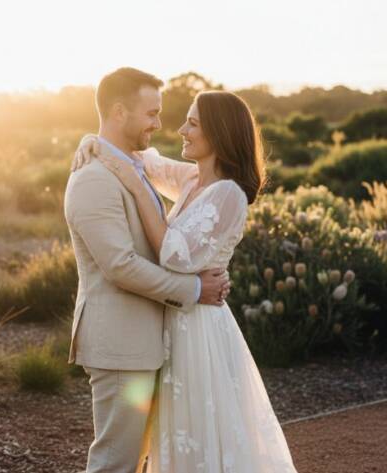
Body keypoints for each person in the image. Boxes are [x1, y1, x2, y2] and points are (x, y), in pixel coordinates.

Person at [72, 87, 298, 472]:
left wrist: (132, 182)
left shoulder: (229, 194)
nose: (180, 129)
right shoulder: (193, 181)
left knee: (202, 433)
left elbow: (172, 253)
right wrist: (91, 140)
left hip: (200, 329)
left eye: (192, 123)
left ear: (219, 133)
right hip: (173, 324)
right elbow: (145, 162)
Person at [64, 67, 231, 473]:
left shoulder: (133, 165)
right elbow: (120, 266)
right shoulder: (93, 180)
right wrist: (194, 289)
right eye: (151, 113)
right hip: (121, 345)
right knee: (114, 463)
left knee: (140, 461)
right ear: (119, 112)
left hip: (147, 344)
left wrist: (91, 140)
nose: (160, 124)